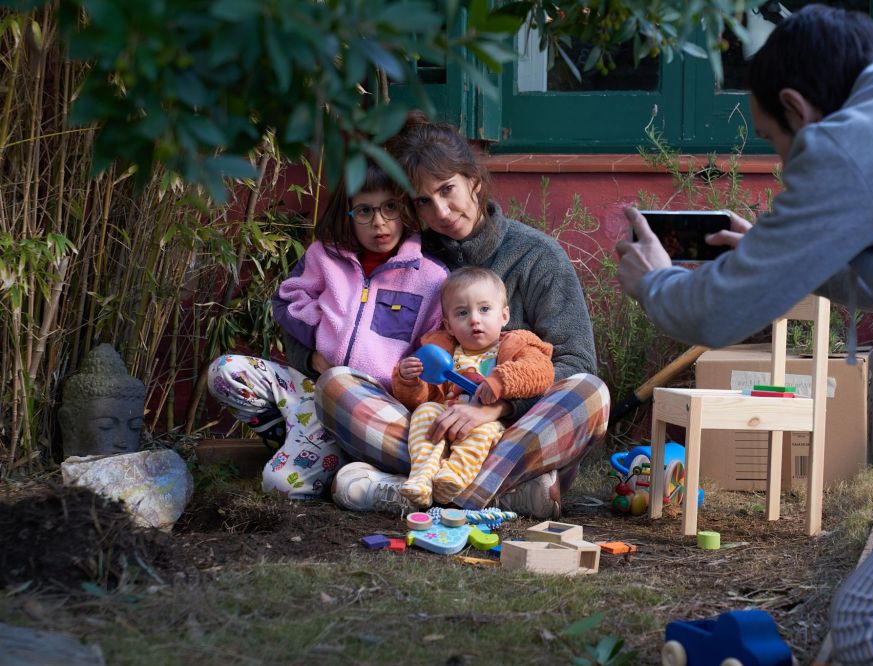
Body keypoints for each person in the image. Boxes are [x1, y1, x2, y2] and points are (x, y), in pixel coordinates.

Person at [616, 5, 873, 665]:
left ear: (798, 107)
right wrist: (793, 253)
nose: (785, 161)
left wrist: (653, 282)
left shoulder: (851, 142)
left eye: (774, 141)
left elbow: (716, 315)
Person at [316, 111, 610, 519]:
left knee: (590, 392)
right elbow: (328, 299)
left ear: (473, 180)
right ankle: (500, 496)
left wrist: (495, 408)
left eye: (447, 189)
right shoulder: (411, 259)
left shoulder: (536, 256)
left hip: (516, 437)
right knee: (335, 384)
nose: (440, 210)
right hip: (429, 429)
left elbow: (576, 362)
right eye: (423, 201)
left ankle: (414, 490)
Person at [207, 162, 448, 499]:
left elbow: (438, 344)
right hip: (312, 389)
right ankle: (296, 437)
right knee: (225, 371)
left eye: (389, 207)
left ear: (406, 209)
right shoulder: (326, 255)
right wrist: (318, 341)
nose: (379, 222)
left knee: (279, 486)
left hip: (373, 407)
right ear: (348, 214)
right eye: (364, 211)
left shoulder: (431, 277)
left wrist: (409, 382)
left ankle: (347, 458)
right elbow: (288, 300)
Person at [394, 267, 555, 508]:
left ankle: (453, 476)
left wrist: (501, 380)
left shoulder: (516, 345)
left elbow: (540, 371)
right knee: (425, 412)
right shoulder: (442, 351)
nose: (474, 319)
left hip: (488, 423)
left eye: (485, 309)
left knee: (484, 431)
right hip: (446, 418)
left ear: (504, 315)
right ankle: (422, 477)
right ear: (448, 326)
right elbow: (419, 398)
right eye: (462, 313)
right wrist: (410, 380)